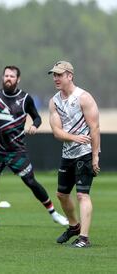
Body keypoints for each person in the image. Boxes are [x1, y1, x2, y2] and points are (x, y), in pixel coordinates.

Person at [0, 65, 68, 228]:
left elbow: (37, 118)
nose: (8, 79)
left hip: (16, 150)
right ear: (2, 77)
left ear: (18, 79)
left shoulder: (25, 98)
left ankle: (54, 214)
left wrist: (34, 125)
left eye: (12, 76)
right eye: (6, 76)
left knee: (31, 182)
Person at [48, 61, 100, 248]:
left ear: (70, 75)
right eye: (54, 75)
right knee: (61, 194)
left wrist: (95, 156)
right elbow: (56, 131)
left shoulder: (84, 98)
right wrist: (73, 138)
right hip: (68, 154)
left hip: (85, 153)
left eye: (59, 75)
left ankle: (84, 238)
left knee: (82, 195)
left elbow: (94, 128)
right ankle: (74, 226)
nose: (56, 78)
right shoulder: (54, 101)